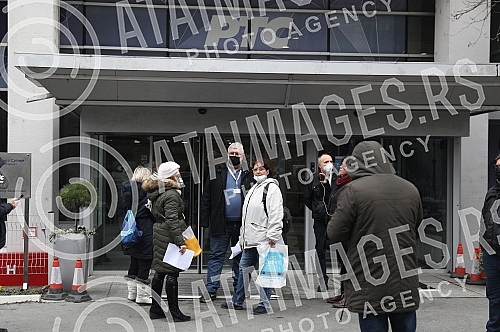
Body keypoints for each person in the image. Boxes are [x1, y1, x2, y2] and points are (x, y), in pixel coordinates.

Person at [327, 141, 422, 332]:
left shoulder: (353, 191)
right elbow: (417, 223)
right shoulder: (410, 189)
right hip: (404, 275)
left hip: (369, 277)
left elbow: (334, 233)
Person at [221, 160, 283, 315]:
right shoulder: (254, 188)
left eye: (261, 169)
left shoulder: (272, 188)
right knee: (243, 269)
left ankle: (264, 304)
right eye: (255, 169)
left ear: (268, 171)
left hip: (264, 238)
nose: (258, 172)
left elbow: (275, 213)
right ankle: (237, 300)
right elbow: (246, 216)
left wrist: (273, 234)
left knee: (265, 272)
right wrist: (242, 237)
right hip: (250, 238)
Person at [199, 142, 253, 302]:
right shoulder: (216, 171)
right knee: (216, 256)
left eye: (237, 154)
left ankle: (239, 289)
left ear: (243, 156)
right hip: (220, 223)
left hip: (242, 226)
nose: (234, 156)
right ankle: (211, 290)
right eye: (232, 153)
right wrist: (204, 221)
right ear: (227, 155)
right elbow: (206, 197)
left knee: (241, 257)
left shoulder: (249, 174)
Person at [142, 161, 191, 322]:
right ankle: (174, 311)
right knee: (172, 272)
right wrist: (180, 242)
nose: (180, 176)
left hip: (160, 232)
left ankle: (155, 309)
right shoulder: (171, 195)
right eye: (177, 173)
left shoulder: (159, 191)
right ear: (170, 176)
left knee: (160, 271)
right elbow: (172, 220)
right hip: (170, 236)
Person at [121, 166, 154, 305]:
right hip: (146, 226)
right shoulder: (149, 191)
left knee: (134, 259)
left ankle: (131, 293)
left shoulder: (127, 190)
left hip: (131, 226)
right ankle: (142, 295)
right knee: (145, 259)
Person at [304, 153, 336, 291]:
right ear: (319, 166)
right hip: (320, 221)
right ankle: (323, 280)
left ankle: (345, 285)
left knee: (339, 248)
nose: (329, 164)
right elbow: (307, 199)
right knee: (320, 249)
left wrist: (327, 184)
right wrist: (317, 210)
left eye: (330, 161)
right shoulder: (313, 179)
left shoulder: (337, 180)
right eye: (325, 162)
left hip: (336, 220)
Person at [325, 157, 352, 308]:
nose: (339, 168)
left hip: (347, 232)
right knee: (343, 264)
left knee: (348, 264)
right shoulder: (340, 182)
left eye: (342, 166)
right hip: (339, 230)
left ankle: (348, 296)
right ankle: (342, 293)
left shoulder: (351, 184)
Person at [481, 155, 500, 332]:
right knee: (494, 299)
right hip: (491, 254)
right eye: (497, 167)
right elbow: (485, 218)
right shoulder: (492, 192)